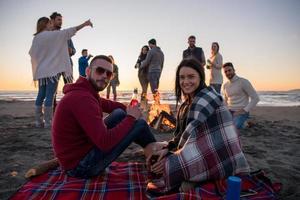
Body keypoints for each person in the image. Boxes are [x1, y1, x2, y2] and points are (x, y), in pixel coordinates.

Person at [147, 58, 249, 194]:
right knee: (156, 150)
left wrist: (170, 158)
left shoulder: (205, 98)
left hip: (221, 152)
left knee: (168, 167)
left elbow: (191, 139)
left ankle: (197, 180)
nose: (185, 81)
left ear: (200, 77)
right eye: (181, 77)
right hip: (200, 147)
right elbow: (181, 137)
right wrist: (168, 149)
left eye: (191, 76)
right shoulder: (186, 104)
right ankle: (195, 178)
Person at [52, 55, 163, 178]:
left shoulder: (86, 91)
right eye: (100, 70)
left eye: (109, 74)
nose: (104, 76)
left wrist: (129, 110)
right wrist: (131, 118)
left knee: (120, 113)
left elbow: (109, 105)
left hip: (78, 154)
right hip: (80, 167)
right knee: (140, 124)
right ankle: (157, 156)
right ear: (88, 71)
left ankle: (152, 150)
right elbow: (104, 142)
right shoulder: (83, 98)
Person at [29, 17, 92, 128]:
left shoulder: (36, 38)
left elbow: (32, 54)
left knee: (40, 95)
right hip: (52, 71)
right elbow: (70, 31)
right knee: (50, 95)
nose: (51, 25)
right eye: (50, 23)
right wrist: (85, 24)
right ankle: (48, 123)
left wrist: (42, 61)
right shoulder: (52, 35)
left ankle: (38, 122)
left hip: (41, 72)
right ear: (46, 24)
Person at [222, 62, 259, 129]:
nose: (227, 73)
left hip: (241, 112)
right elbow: (225, 100)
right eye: (225, 71)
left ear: (234, 70)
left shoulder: (243, 82)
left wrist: (244, 110)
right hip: (230, 111)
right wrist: (225, 111)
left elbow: (255, 98)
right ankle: (245, 123)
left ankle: (246, 123)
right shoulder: (225, 85)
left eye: (229, 70)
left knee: (233, 128)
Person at [50, 12, 76, 83]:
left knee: (70, 87)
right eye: (58, 20)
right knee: (52, 90)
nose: (60, 22)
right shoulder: (48, 35)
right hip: (53, 65)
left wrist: (71, 51)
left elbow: (74, 50)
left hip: (67, 65)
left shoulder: (66, 34)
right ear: (52, 21)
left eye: (61, 20)